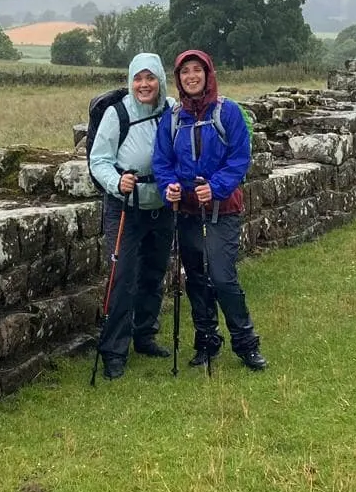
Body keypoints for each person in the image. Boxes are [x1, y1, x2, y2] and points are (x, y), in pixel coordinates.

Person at [153, 48, 268, 371]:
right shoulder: (174, 117)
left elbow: (239, 158)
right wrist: (169, 187)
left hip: (223, 210)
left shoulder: (226, 111)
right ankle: (207, 340)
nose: (191, 76)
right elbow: (163, 161)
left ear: (208, 74)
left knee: (222, 277)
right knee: (196, 278)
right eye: (185, 72)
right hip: (188, 211)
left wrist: (214, 187)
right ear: (178, 78)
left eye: (197, 70)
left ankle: (246, 343)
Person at [88, 52, 175, 380]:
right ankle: (113, 350)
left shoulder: (171, 108)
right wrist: (116, 181)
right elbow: (99, 160)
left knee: (154, 272)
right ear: (130, 81)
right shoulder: (117, 113)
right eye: (138, 78)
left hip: (162, 205)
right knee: (122, 277)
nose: (144, 84)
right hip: (125, 206)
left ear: (160, 80)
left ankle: (145, 335)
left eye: (150, 77)